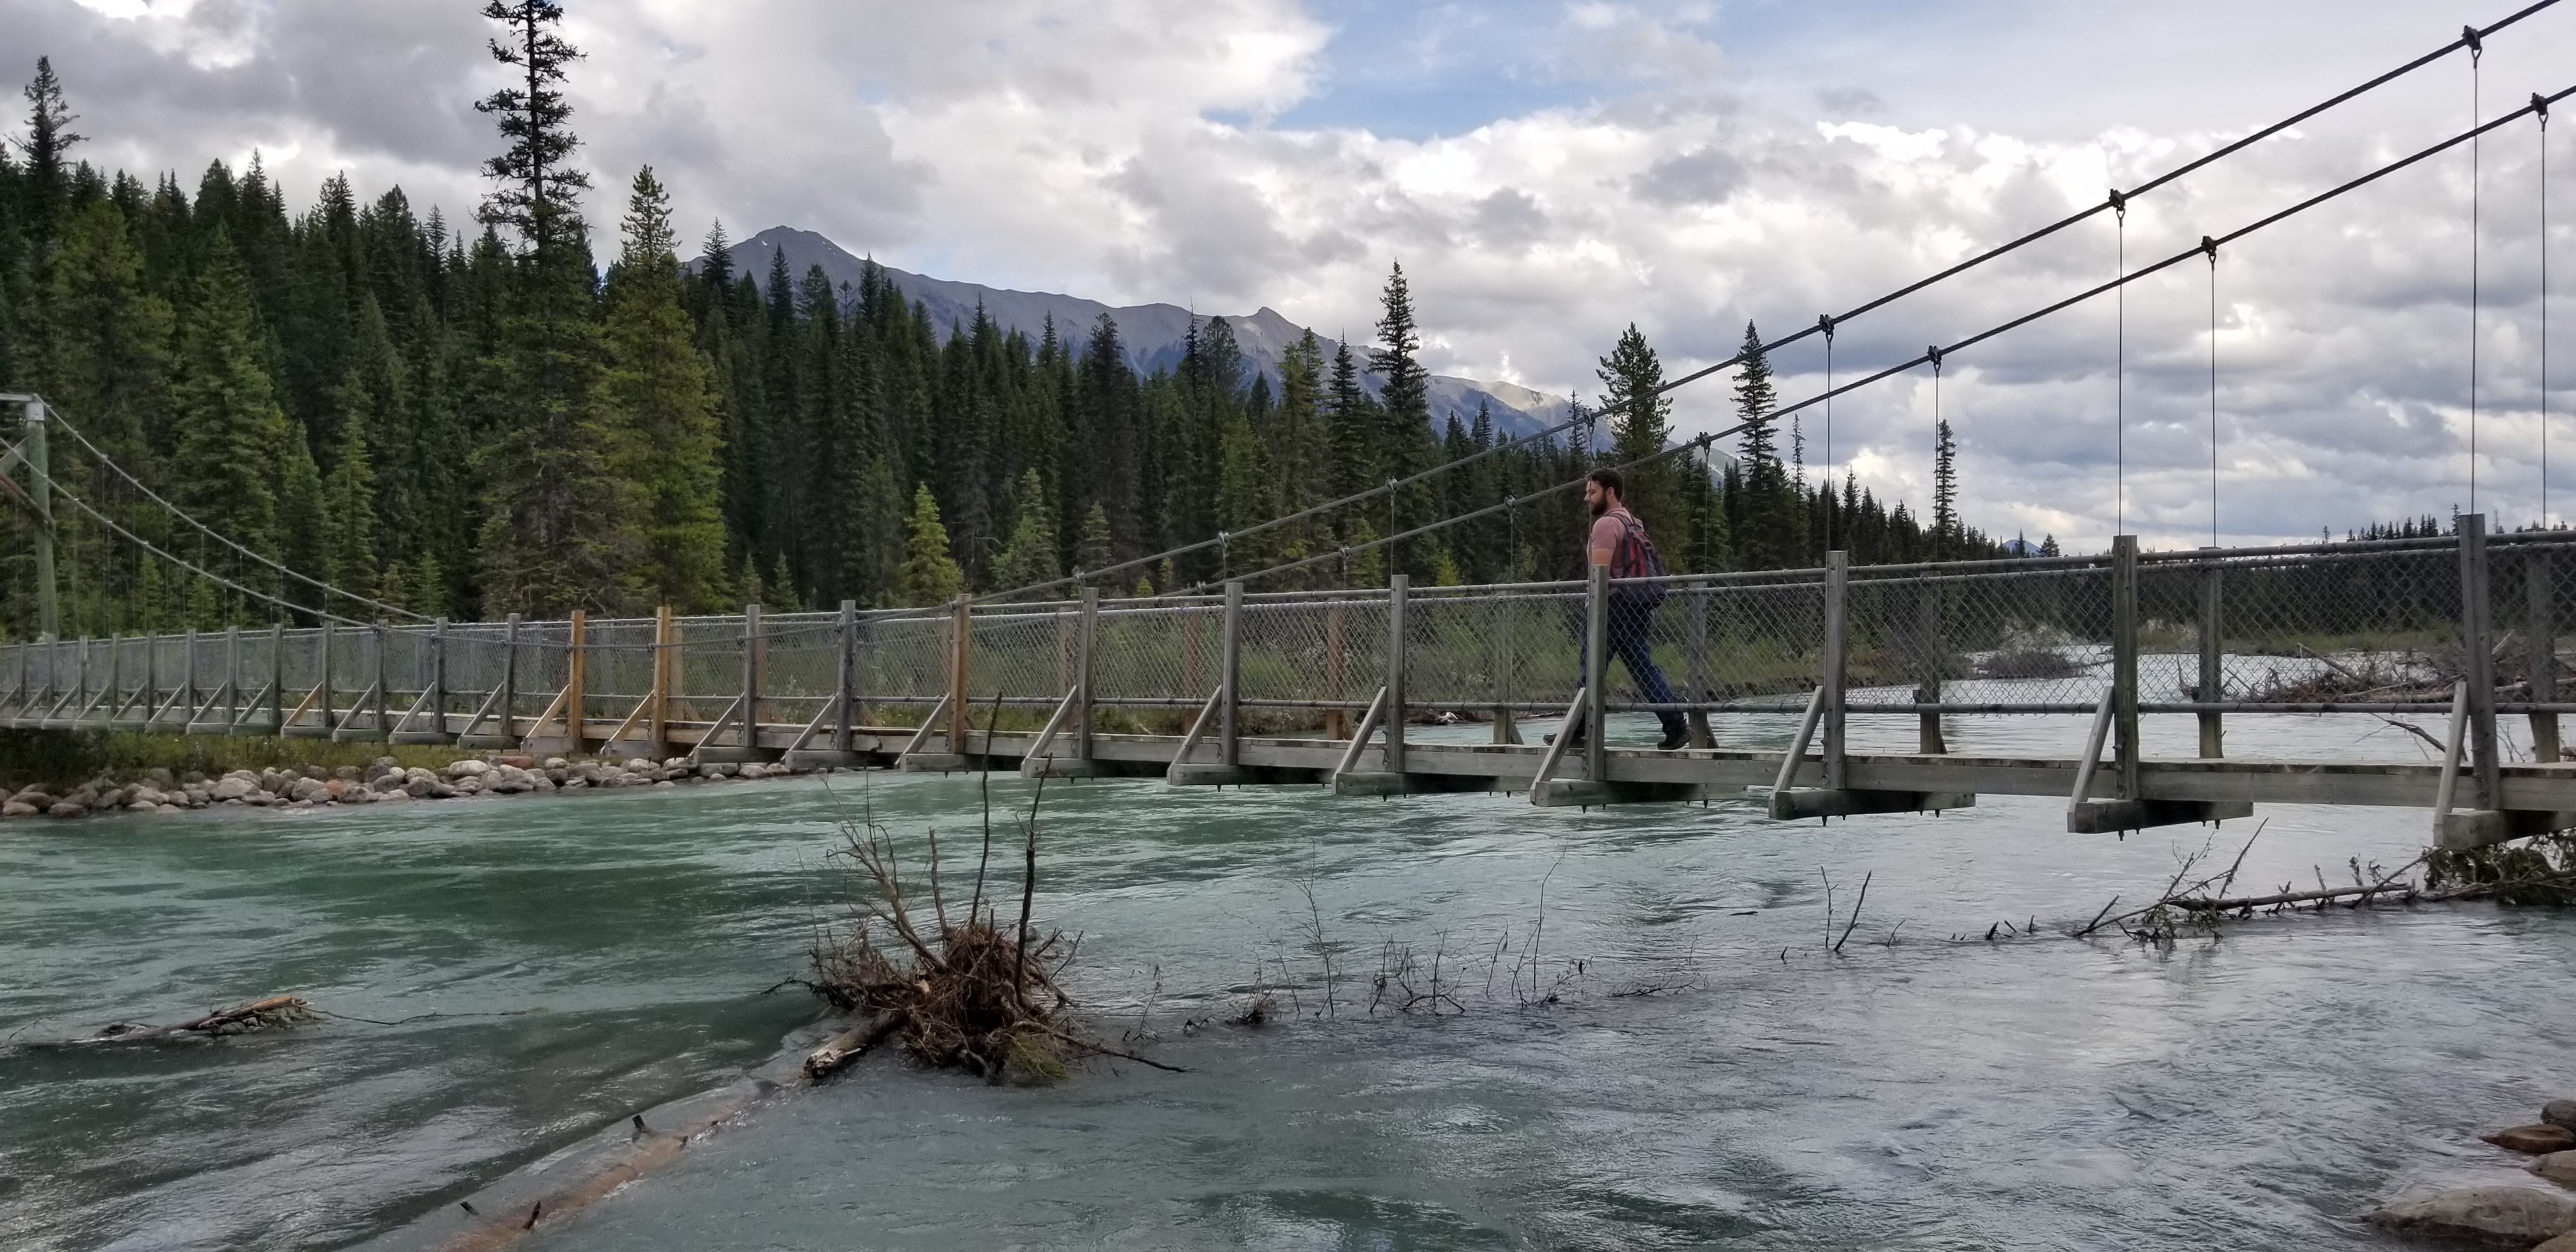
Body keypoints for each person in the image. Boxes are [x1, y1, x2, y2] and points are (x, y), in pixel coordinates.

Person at [1555, 468, 1690, 751]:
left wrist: (1595, 609)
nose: (1586, 498)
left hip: (1611, 607)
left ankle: (1576, 732)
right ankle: (1676, 727)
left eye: (1592, 492)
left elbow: (1599, 576)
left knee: (1590, 670)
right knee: (1643, 668)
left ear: (1610, 492)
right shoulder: (1633, 522)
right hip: (1636, 608)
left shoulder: (1605, 525)